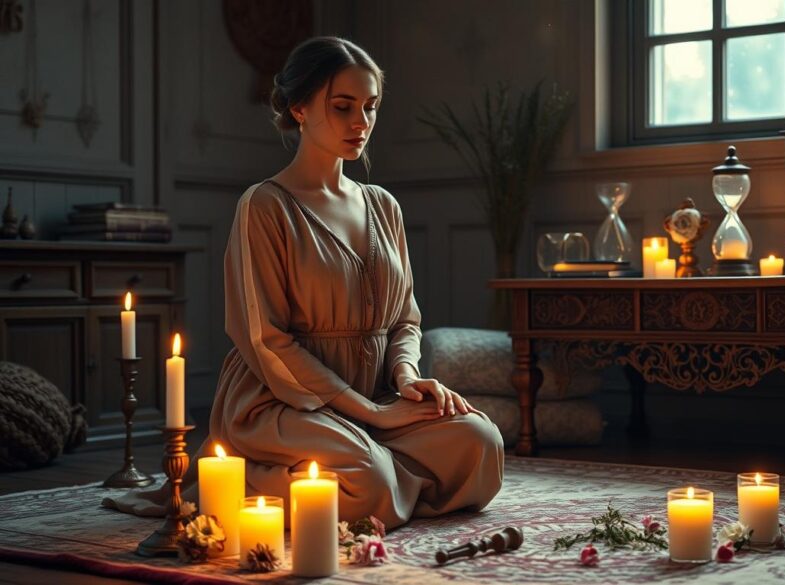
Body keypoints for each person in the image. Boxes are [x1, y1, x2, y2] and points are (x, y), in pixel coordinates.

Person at [106, 37, 504, 529]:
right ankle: (249, 475)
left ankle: (378, 480)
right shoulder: (265, 206)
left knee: (482, 446)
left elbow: (404, 318)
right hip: (283, 403)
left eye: (370, 108)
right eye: (342, 107)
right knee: (370, 482)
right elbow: (265, 340)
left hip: (375, 397)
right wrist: (371, 416)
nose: (361, 123)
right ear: (299, 108)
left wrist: (405, 381)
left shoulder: (383, 206)